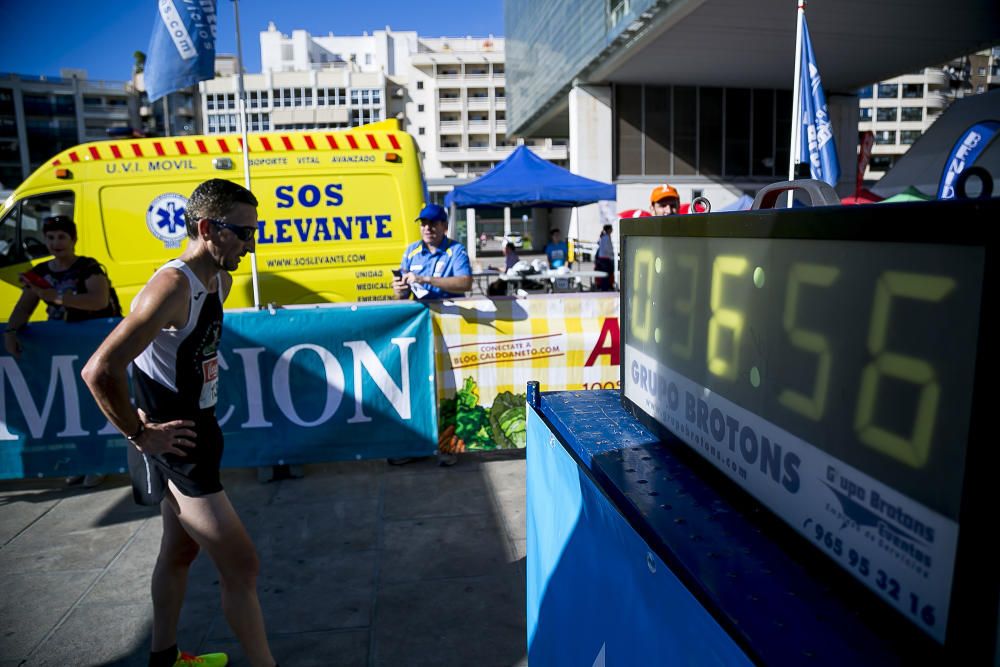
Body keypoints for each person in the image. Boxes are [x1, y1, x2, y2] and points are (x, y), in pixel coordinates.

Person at [81, 179, 279, 667]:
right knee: (242, 565)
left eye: (258, 231)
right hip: (178, 448)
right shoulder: (172, 285)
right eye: (243, 232)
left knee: (178, 553)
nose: (252, 244)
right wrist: (141, 434)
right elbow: (100, 369)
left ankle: (163, 658)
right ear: (209, 228)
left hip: (199, 433)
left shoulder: (220, 280)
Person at [5, 214, 121, 488]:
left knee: (91, 406)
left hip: (90, 348)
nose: (56, 242)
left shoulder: (88, 268)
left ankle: (97, 464)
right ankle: (79, 463)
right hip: (57, 354)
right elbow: (24, 307)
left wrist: (56, 297)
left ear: (73, 240)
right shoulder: (41, 273)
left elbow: (98, 300)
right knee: (64, 410)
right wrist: (11, 332)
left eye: (61, 236)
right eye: (51, 237)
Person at [392, 203, 472, 301]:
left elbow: (465, 283)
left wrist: (425, 279)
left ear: (445, 226)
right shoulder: (411, 250)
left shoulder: (456, 250)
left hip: (450, 313)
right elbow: (401, 297)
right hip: (422, 314)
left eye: (433, 223)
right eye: (423, 223)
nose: (427, 228)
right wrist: (400, 290)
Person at [594, 224, 615, 291]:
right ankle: (605, 288)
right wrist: (611, 254)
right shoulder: (606, 237)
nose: (612, 230)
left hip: (603, 258)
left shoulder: (604, 237)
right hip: (605, 258)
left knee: (606, 274)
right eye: (611, 228)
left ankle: (605, 287)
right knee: (606, 275)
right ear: (608, 229)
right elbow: (606, 249)